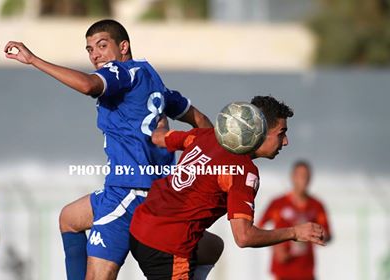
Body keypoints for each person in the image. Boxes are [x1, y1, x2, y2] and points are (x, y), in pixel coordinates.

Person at [4, 19, 220, 280]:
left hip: (128, 193)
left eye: (102, 45)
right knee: (69, 218)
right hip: (149, 191)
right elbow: (202, 122)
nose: (95, 54)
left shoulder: (121, 72)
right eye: (90, 49)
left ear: (123, 47)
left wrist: (33, 60)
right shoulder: (152, 80)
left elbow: (88, 86)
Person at [129, 96, 328, 279]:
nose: (285, 141)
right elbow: (244, 237)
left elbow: (158, 137)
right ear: (259, 131)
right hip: (168, 248)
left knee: (213, 246)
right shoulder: (242, 170)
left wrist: (160, 109)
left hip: (139, 228)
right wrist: (294, 233)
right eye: (281, 133)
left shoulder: (206, 136)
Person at [258, 160, 332, 280]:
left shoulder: (316, 205)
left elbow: (328, 234)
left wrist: (318, 235)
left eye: (307, 176)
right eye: (301, 175)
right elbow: (259, 227)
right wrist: (275, 246)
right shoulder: (278, 203)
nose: (304, 179)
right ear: (292, 177)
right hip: (282, 271)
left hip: (306, 272)